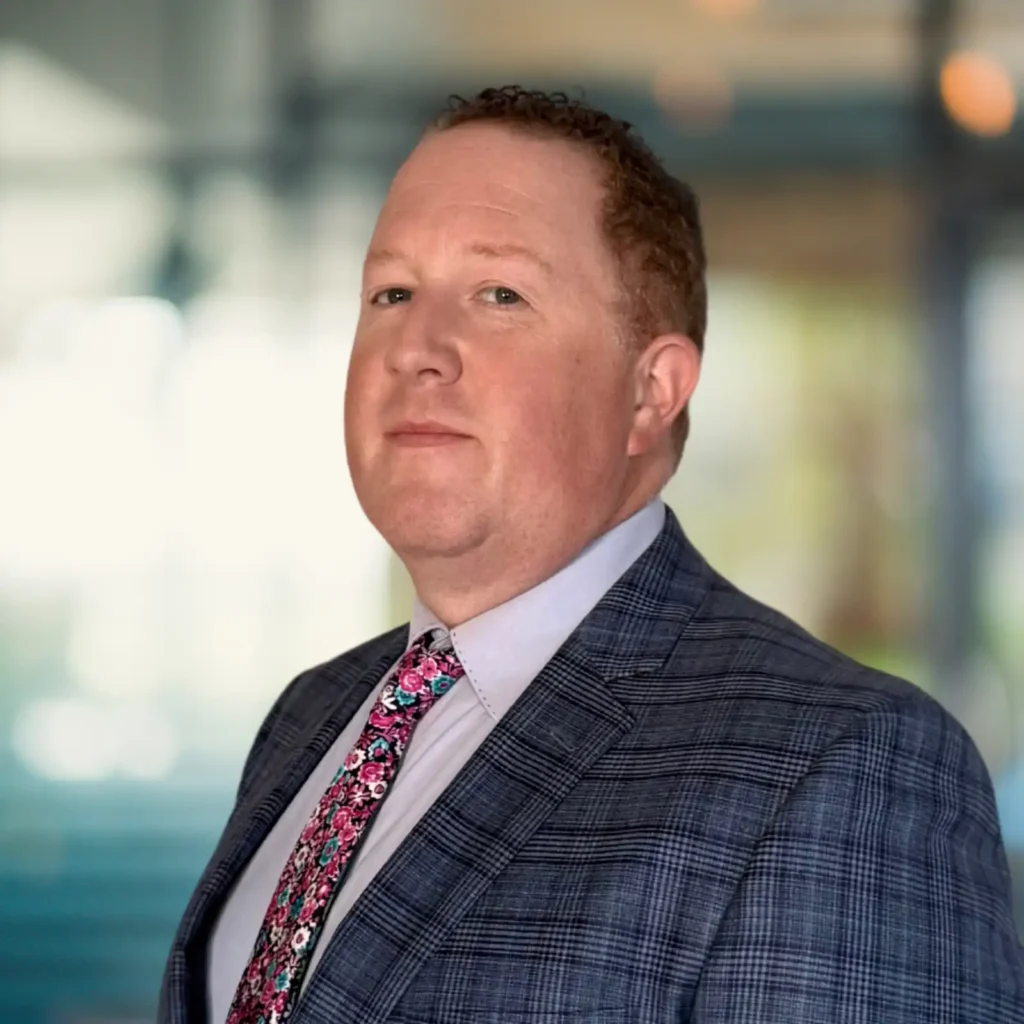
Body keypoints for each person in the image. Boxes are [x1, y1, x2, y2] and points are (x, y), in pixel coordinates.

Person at [160, 85, 1023, 1023]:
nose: (417, 347)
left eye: (500, 293)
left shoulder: (844, 765)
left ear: (652, 391)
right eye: (392, 291)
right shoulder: (312, 715)